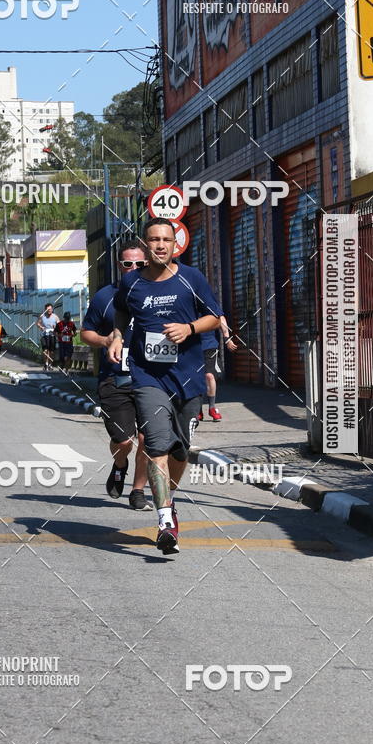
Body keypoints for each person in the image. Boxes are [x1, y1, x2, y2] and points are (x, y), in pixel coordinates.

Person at [108, 219, 223, 555]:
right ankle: (164, 520)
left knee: (181, 450)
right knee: (156, 444)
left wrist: (189, 328)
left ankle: (168, 498)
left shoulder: (192, 278)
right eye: (153, 240)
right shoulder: (131, 282)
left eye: (166, 240)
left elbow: (214, 316)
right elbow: (119, 311)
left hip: (187, 377)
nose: (160, 245)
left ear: (176, 245)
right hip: (147, 377)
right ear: (145, 245)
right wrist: (116, 336)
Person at [81, 240, 153, 511]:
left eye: (139, 263)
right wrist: (105, 339)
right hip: (115, 378)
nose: (133, 268)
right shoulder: (105, 296)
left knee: (148, 439)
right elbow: (85, 332)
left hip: (150, 377)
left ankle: (137, 492)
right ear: (119, 266)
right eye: (127, 264)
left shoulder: (158, 294)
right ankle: (120, 463)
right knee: (124, 440)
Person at [198, 318, 237, 421]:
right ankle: (198, 409)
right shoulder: (187, 304)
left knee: (209, 375)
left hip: (209, 346)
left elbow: (221, 318)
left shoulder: (209, 305)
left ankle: (212, 408)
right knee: (195, 378)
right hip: (191, 348)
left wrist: (227, 338)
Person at [37, 303, 59, 371]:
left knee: (51, 351)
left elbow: (59, 325)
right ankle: (46, 363)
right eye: (47, 309)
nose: (49, 311)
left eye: (50, 309)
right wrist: (41, 327)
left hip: (52, 335)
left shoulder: (55, 317)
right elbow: (38, 323)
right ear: (45, 310)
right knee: (45, 350)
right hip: (44, 335)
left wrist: (56, 327)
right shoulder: (42, 316)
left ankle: (50, 364)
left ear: (52, 309)